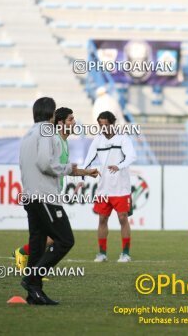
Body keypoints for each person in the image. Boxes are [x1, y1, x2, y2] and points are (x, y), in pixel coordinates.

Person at [19, 98, 99, 305]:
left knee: (37, 245)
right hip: (44, 196)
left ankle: (34, 293)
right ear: (52, 114)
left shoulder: (29, 134)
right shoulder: (47, 132)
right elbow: (45, 164)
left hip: (30, 195)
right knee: (65, 240)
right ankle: (32, 278)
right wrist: (68, 169)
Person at [14, 107, 77, 271]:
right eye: (70, 119)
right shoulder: (53, 139)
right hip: (44, 195)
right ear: (60, 123)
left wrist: (84, 173)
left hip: (53, 193)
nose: (74, 122)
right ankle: (30, 263)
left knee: (45, 236)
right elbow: (45, 164)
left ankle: (33, 272)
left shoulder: (64, 141)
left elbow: (61, 167)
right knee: (57, 237)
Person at [82, 111, 137, 263]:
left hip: (121, 188)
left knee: (123, 218)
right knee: (102, 219)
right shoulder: (97, 141)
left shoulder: (123, 138)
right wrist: (81, 177)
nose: (103, 127)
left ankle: (125, 253)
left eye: (106, 124)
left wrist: (119, 166)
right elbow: (88, 160)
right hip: (103, 188)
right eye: (101, 125)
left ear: (113, 124)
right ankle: (102, 254)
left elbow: (132, 156)